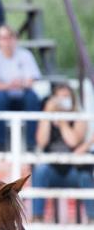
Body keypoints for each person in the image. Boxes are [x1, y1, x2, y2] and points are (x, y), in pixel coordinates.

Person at [31, 84, 92, 221]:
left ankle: (92, 219)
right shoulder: (47, 119)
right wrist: (48, 114)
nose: (63, 101)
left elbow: (73, 141)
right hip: (52, 170)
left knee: (86, 177)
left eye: (66, 97)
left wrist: (62, 121)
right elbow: (41, 142)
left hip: (74, 171)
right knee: (40, 171)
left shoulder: (79, 118)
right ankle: (37, 216)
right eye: (59, 97)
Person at [0, 25, 41, 151]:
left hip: (22, 98)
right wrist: (12, 85)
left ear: (16, 39)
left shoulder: (25, 55)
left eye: (9, 37)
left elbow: (31, 82)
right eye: (3, 38)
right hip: (2, 99)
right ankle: (0, 143)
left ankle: (32, 143)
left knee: (32, 97)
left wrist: (15, 84)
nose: (7, 42)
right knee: (0, 97)